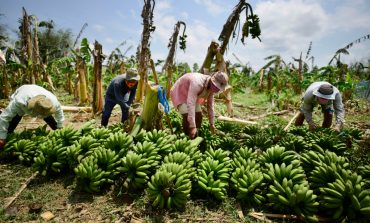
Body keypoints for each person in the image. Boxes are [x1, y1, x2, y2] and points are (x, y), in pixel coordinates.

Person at [0, 85, 64, 149]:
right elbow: (4, 117)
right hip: (24, 93)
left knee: (49, 118)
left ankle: (58, 132)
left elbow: (60, 114)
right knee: (15, 117)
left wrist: (60, 127)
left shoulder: (53, 103)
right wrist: (2, 137)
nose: (39, 116)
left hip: (40, 97)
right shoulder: (19, 101)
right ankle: (7, 135)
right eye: (39, 113)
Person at [170, 71, 229, 139]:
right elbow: (191, 104)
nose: (217, 89)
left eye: (218, 88)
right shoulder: (197, 83)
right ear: (212, 81)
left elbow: (210, 105)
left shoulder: (211, 88)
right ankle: (187, 136)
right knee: (187, 116)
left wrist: (212, 124)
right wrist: (192, 126)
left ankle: (194, 136)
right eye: (216, 87)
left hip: (192, 94)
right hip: (180, 92)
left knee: (199, 116)